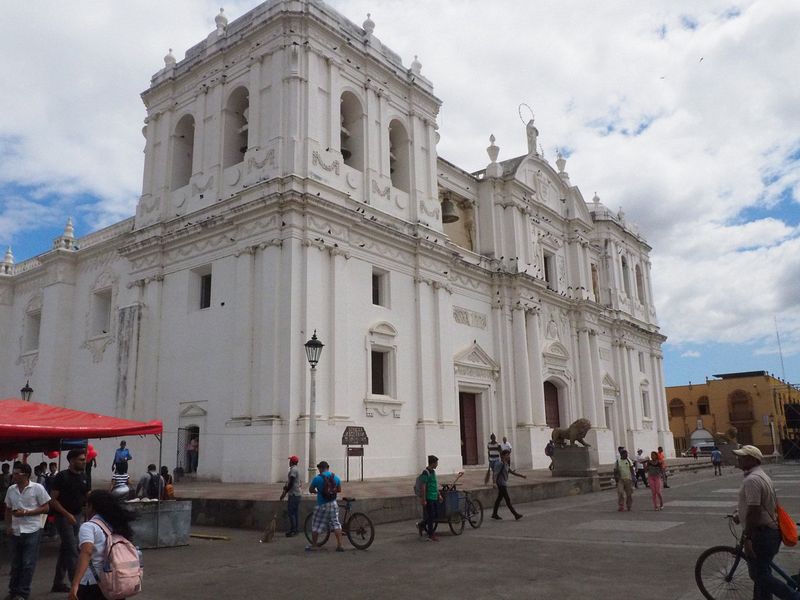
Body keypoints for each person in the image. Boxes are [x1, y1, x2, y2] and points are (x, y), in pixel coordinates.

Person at [732, 445, 800, 599]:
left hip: (762, 534)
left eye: (742, 456)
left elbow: (755, 511)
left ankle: (794, 596)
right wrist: (739, 513)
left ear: (752, 459)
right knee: (762, 571)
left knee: (760, 576)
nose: (739, 458)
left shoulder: (752, 480)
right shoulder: (761, 475)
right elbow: (762, 504)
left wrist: (748, 538)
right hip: (770, 531)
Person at [68, 490, 138, 600]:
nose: (85, 508)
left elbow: (86, 552)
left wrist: (75, 583)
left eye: (87, 505)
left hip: (92, 582)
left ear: (92, 507)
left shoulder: (89, 526)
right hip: (115, 580)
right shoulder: (117, 524)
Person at [4, 462, 51, 600]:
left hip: (32, 529)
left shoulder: (37, 488)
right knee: (16, 563)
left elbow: (46, 507)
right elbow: (8, 508)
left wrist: (27, 512)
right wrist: (8, 526)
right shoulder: (11, 490)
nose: (14, 475)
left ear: (26, 475)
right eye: (14, 472)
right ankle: (13, 591)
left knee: (28, 563)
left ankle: (23, 593)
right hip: (16, 530)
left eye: (17, 473)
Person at [49, 449, 90, 594]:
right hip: (63, 518)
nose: (84, 462)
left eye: (84, 459)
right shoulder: (62, 477)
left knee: (65, 550)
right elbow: (53, 501)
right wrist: (67, 515)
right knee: (73, 550)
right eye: (81, 459)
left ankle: (58, 583)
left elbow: (87, 496)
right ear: (71, 461)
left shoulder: (84, 477)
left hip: (77, 516)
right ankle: (77, 586)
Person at [307, 460, 343, 551]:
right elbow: (339, 490)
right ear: (328, 468)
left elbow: (311, 490)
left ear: (320, 468)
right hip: (333, 504)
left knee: (316, 525)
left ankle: (314, 545)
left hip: (322, 505)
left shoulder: (317, 478)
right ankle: (339, 545)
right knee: (336, 524)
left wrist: (317, 492)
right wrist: (331, 491)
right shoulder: (336, 477)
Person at [491, 449, 526, 520]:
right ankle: (515, 514)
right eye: (507, 455)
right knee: (507, 499)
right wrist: (494, 483)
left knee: (499, 499)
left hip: (503, 483)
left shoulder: (506, 464)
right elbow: (495, 474)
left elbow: (512, 472)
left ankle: (494, 514)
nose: (508, 456)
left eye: (509, 455)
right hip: (501, 484)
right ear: (503, 456)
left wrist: (521, 476)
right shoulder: (500, 464)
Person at [417, 455, 442, 542]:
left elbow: (434, 484)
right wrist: (423, 499)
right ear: (433, 463)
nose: (437, 465)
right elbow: (423, 486)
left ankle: (422, 524)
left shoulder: (433, 472)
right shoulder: (426, 472)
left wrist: (439, 495)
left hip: (434, 496)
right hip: (429, 497)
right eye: (436, 463)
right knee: (431, 516)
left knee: (435, 515)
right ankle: (431, 534)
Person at [279, 456, 302, 537]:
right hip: (297, 494)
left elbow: (291, 482)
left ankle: (293, 530)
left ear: (292, 462)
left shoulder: (293, 470)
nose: (289, 462)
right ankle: (295, 529)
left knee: (291, 513)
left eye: (290, 461)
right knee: (295, 513)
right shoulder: (297, 469)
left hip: (293, 494)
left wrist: (286, 490)